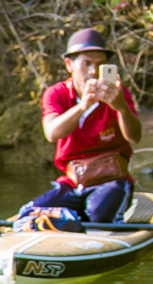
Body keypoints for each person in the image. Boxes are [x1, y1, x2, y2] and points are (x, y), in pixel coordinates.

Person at [28, 27, 143, 224]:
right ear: (69, 65)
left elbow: (134, 137)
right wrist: (82, 107)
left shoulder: (117, 93)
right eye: (86, 63)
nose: (92, 71)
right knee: (33, 212)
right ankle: (71, 221)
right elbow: (52, 133)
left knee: (100, 216)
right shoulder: (57, 94)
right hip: (74, 183)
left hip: (111, 181)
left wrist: (121, 108)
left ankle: (81, 222)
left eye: (99, 65)